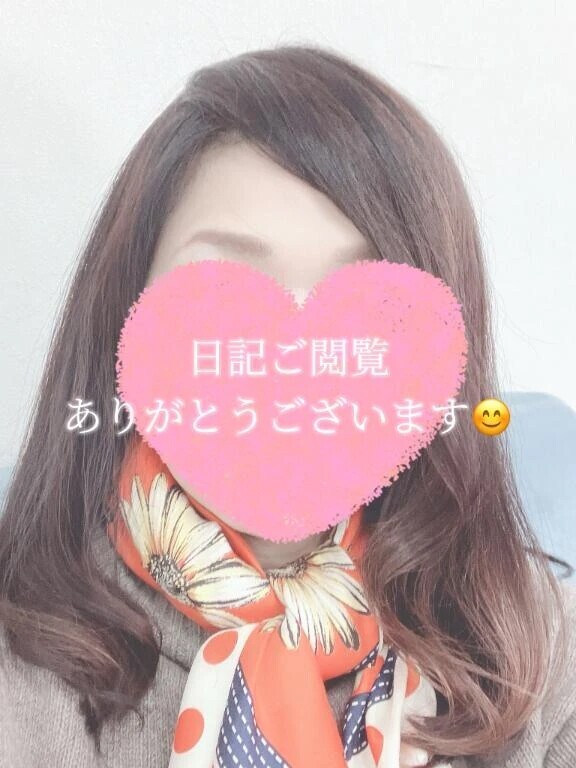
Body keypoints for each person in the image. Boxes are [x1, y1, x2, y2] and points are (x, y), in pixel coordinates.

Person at [0, 44, 574, 768]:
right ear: (125, 316)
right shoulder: (21, 654)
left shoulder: (537, 652)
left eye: (367, 304)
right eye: (223, 286)